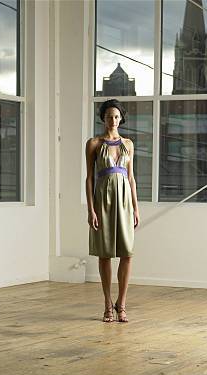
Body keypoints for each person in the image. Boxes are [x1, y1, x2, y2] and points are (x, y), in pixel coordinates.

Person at [85, 99, 140, 323]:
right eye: (109, 116)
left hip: (125, 201)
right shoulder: (94, 143)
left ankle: (122, 304)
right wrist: (91, 209)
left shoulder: (128, 144)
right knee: (105, 253)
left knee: (127, 253)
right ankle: (108, 304)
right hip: (102, 201)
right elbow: (89, 178)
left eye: (116, 117)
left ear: (121, 119)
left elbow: (131, 178)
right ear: (103, 118)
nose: (113, 120)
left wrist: (136, 208)